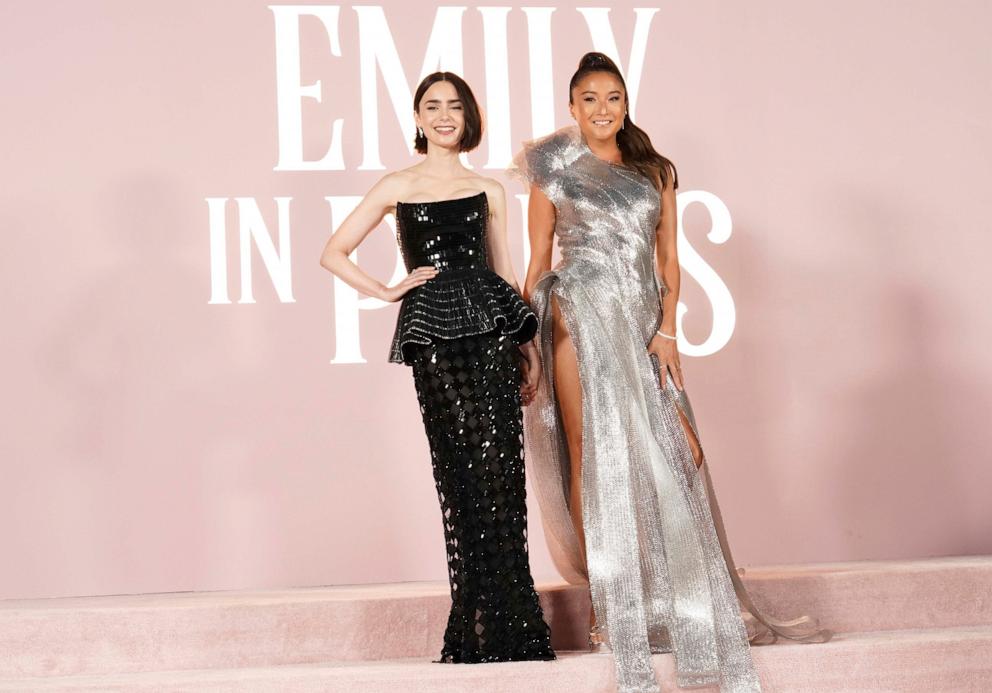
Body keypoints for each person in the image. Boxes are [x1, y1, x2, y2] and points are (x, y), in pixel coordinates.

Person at [510, 52, 828, 693]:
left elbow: (669, 261)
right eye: (590, 99)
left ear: (627, 105)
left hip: (638, 321)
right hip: (576, 314)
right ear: (573, 106)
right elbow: (539, 258)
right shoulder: (551, 167)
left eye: (614, 99)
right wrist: (528, 341)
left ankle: (666, 593)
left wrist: (668, 331)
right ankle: (609, 603)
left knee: (667, 452)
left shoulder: (655, 171)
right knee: (588, 452)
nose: (602, 110)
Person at [320, 71, 555, 664]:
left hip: (491, 334)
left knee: (502, 474)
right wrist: (386, 289)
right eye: (433, 106)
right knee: (462, 474)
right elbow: (332, 252)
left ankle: (515, 628)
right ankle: (477, 625)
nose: (445, 115)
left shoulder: (489, 187)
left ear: (468, 116)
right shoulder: (397, 185)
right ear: (418, 118)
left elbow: (503, 274)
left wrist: (526, 349)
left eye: (455, 106)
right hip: (436, 341)